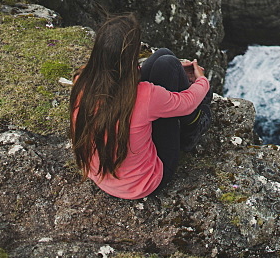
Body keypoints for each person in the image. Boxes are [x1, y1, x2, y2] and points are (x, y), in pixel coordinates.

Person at [69, 13, 212, 199]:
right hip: (143, 183)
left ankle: (176, 72)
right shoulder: (144, 96)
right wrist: (201, 80)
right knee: (168, 64)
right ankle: (192, 128)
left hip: (103, 176)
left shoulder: (82, 82)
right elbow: (187, 103)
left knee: (164, 56)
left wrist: (177, 71)